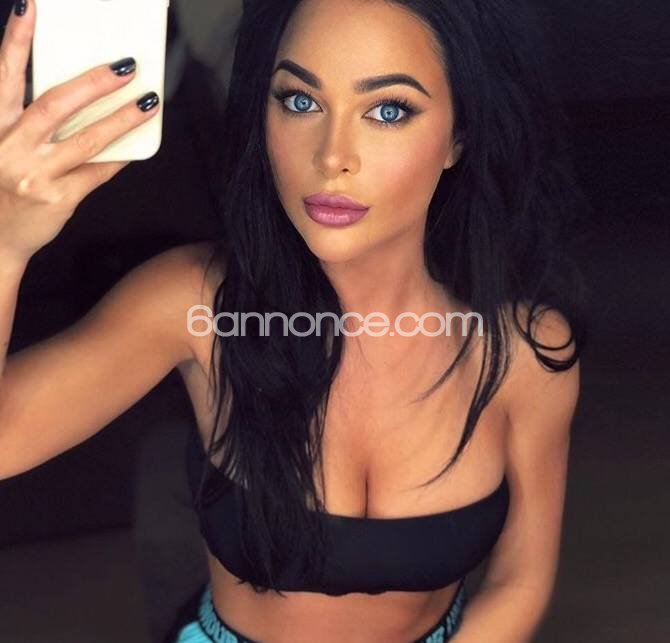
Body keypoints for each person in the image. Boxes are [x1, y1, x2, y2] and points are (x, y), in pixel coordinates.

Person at [0, 1, 586, 642]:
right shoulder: (196, 306)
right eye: (300, 101)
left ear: (458, 137)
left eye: (389, 111)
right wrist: (6, 243)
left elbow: (520, 580)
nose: (332, 156)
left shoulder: (525, 353)